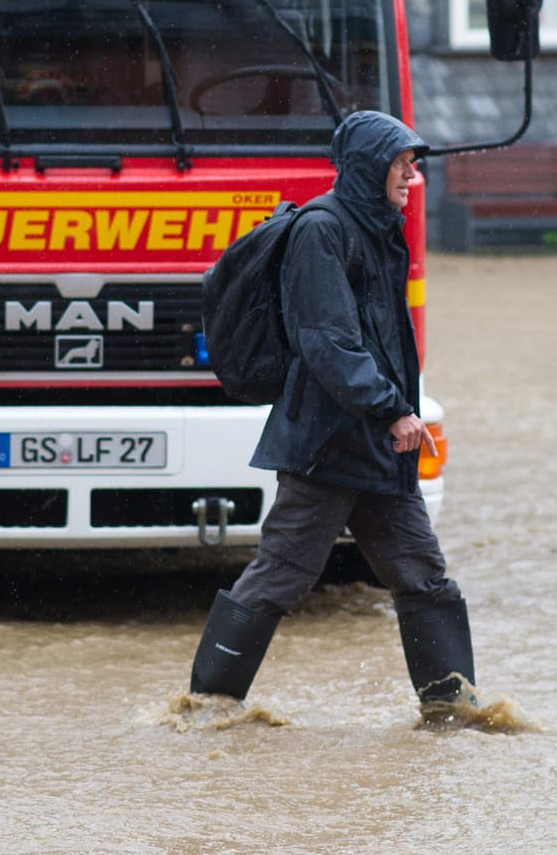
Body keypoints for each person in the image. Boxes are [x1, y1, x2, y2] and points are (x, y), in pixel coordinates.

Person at [188, 110, 475, 720]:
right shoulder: (322, 230)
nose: (411, 174)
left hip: (374, 446)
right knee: (280, 576)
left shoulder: (379, 226)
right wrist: (392, 410)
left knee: (423, 575)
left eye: (413, 163)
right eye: (401, 163)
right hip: (326, 444)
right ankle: (205, 707)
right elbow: (327, 342)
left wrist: (393, 415)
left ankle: (456, 715)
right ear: (371, 166)